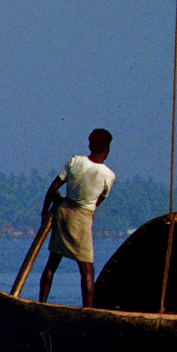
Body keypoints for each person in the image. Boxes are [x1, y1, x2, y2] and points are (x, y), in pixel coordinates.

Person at [38, 128, 115, 308]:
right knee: (87, 269)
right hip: (82, 218)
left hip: (63, 213)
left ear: (90, 144)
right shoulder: (108, 175)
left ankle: (41, 303)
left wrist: (44, 212)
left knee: (53, 262)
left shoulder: (76, 161)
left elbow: (53, 188)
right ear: (107, 149)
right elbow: (97, 202)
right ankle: (87, 311)